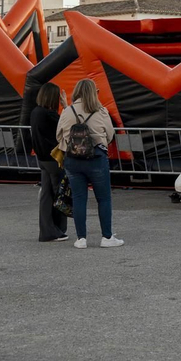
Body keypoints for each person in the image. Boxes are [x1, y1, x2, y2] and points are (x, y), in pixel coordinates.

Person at [56, 78, 122, 248]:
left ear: (76, 91)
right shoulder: (100, 111)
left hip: (72, 160)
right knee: (104, 198)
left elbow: (59, 136)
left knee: (78, 198)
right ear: (94, 93)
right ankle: (107, 237)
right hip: (96, 158)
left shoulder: (68, 111)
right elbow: (109, 134)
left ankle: (81, 239)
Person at [30, 83, 68, 242]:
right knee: (58, 194)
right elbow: (66, 124)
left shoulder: (35, 112)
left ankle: (47, 230)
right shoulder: (49, 114)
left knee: (46, 195)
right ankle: (57, 229)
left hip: (42, 159)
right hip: (54, 159)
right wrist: (65, 105)